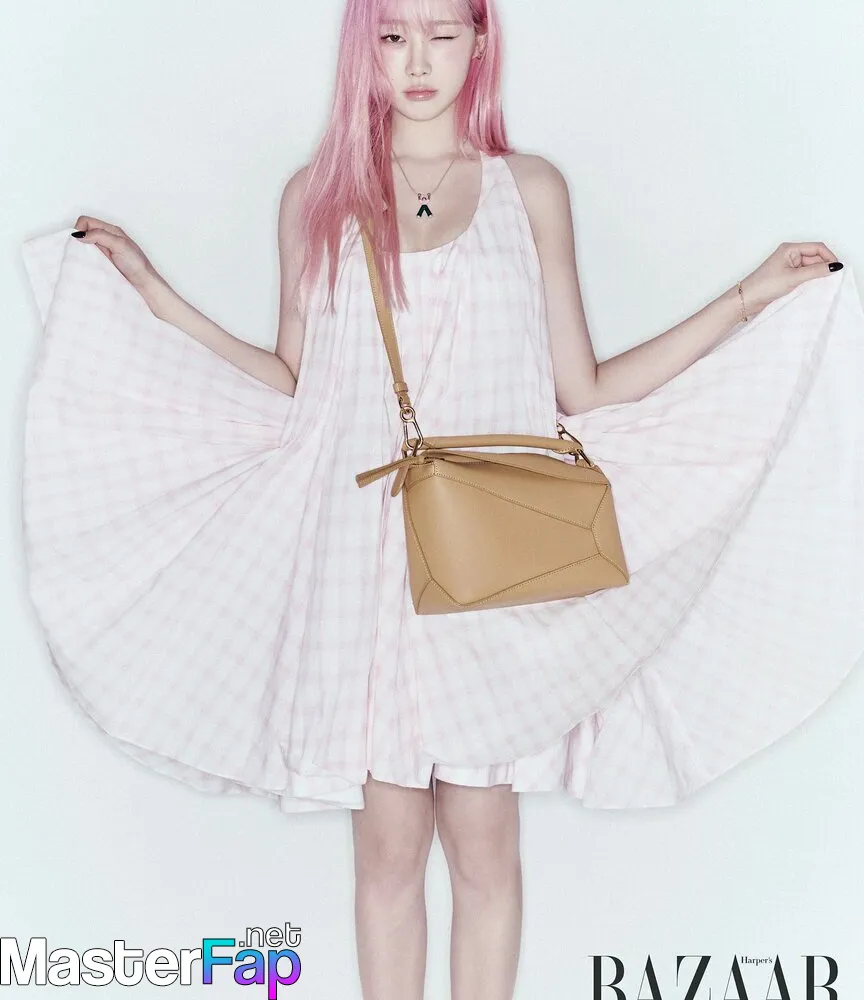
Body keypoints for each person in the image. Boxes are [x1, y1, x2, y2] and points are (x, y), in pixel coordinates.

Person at [19, 1, 864, 998]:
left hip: (489, 555)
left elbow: (583, 389)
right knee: (387, 846)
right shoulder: (318, 196)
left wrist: (747, 299)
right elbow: (294, 382)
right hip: (366, 557)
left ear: (480, 40)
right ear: (364, 49)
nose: (418, 59)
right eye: (392, 36)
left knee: (482, 837)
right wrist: (154, 296)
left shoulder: (529, 189)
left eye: (442, 32)